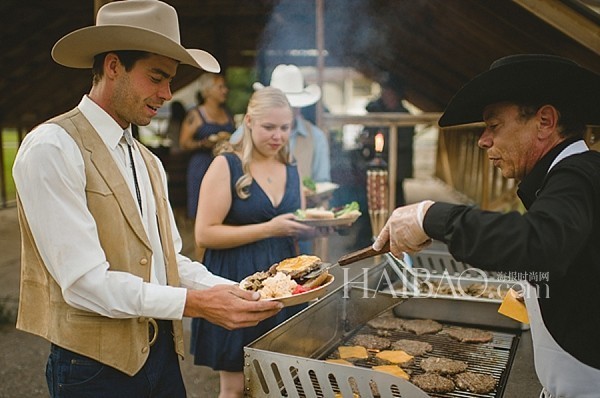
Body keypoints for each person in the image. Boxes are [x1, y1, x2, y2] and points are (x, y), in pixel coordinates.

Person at [11, 2, 282, 397]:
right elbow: (84, 283)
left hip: (162, 359)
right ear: (113, 66)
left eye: (170, 80)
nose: (167, 94)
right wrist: (197, 305)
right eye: (156, 78)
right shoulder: (51, 148)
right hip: (90, 369)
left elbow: (170, 261)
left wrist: (241, 291)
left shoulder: (147, 160)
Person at [373, 54, 600, 397]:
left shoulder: (577, 174)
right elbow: (576, 257)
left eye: (494, 126)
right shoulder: (571, 174)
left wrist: (430, 216)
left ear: (545, 121)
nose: (483, 140)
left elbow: (541, 242)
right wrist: (541, 288)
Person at [191, 87, 315, 397]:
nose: (278, 136)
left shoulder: (292, 166)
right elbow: (204, 234)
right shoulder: (227, 165)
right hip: (237, 278)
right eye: (269, 127)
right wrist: (269, 229)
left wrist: (315, 229)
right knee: (235, 387)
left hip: (284, 282)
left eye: (285, 128)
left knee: (281, 380)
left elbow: (295, 223)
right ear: (248, 122)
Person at [230, 64, 332, 255]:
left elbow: (322, 183)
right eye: (269, 127)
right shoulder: (241, 137)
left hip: (298, 228)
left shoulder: (316, 137)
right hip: (247, 233)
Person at [179, 72, 235, 220]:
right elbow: (183, 143)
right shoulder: (195, 114)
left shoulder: (227, 113)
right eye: (220, 87)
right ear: (207, 90)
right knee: (201, 215)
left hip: (226, 167)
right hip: (202, 166)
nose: (225, 90)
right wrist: (203, 143)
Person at [362, 73, 414, 207]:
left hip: (397, 168)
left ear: (395, 94)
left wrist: (378, 143)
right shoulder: (378, 109)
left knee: (396, 200)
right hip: (378, 165)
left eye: (388, 91)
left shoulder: (405, 115)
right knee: (375, 199)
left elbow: (404, 143)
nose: (384, 94)